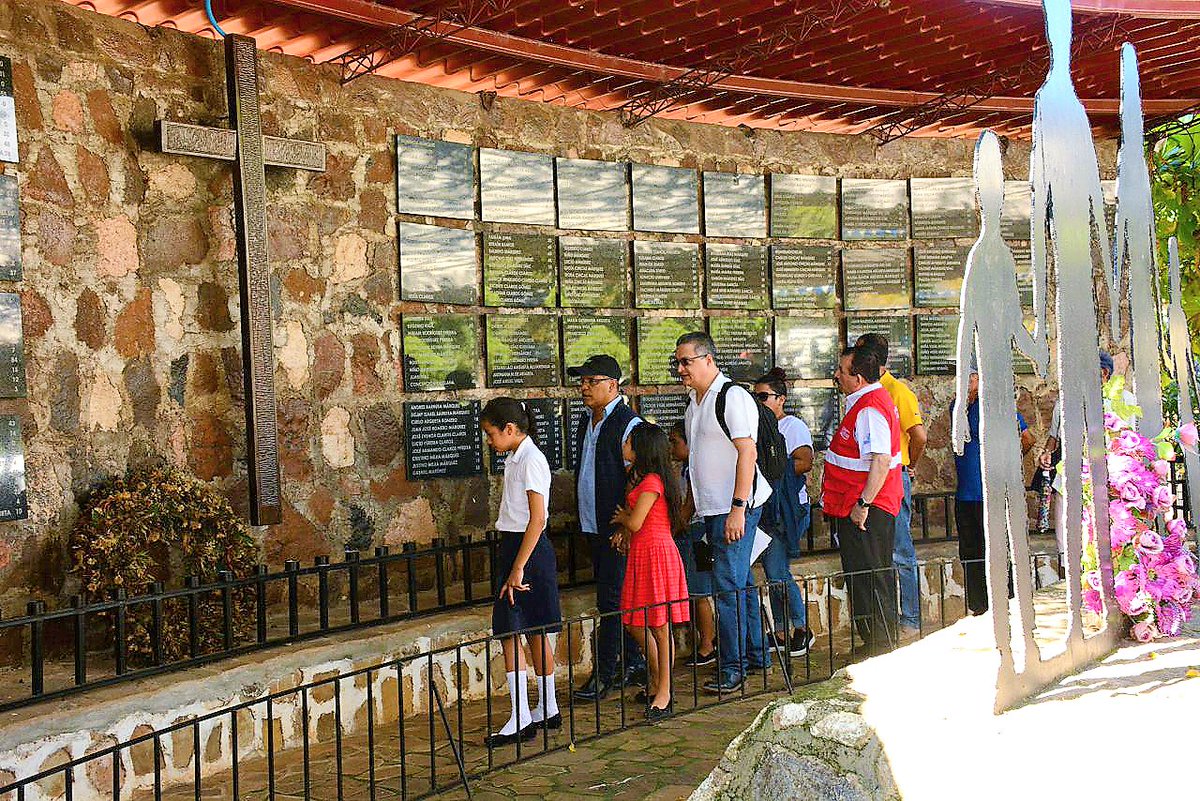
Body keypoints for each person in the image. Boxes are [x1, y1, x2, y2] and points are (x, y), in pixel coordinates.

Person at [674, 332, 773, 694]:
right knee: (739, 582)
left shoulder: (732, 397)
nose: (680, 369)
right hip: (713, 509)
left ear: (708, 360)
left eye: (686, 361)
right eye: (677, 362)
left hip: (736, 507)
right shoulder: (694, 403)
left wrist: (738, 508)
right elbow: (698, 462)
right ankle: (756, 654)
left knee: (727, 586)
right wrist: (690, 508)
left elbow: (748, 453)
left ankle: (733, 667)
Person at [480, 398, 561, 747]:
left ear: (510, 429)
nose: (489, 441)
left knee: (512, 630)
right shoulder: (517, 457)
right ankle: (546, 707)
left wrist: (518, 567)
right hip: (520, 547)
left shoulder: (530, 460)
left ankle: (522, 715)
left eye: (491, 434)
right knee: (530, 629)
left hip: (526, 550)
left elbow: (537, 518)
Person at [567, 355, 646, 702]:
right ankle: (634, 662)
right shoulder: (588, 420)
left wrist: (627, 526)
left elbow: (639, 477)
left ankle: (605, 673)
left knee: (611, 600)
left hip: (617, 528)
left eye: (591, 381)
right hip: (593, 524)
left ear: (612, 385)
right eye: (582, 382)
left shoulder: (628, 424)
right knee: (617, 596)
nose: (584, 387)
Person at [823, 346, 903, 649]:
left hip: (867, 509)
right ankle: (874, 641)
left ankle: (880, 644)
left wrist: (863, 504)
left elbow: (881, 460)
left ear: (857, 378)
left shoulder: (869, 409)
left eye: (841, 371)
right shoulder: (866, 402)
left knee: (870, 577)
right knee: (864, 576)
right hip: (859, 505)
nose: (837, 376)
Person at [610, 422, 690, 720]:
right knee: (634, 619)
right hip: (642, 553)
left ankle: (665, 690)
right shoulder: (641, 478)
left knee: (659, 625)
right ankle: (657, 677)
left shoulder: (653, 482)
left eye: (628, 441)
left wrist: (623, 518)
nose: (624, 446)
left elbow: (636, 521)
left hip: (656, 554)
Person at [855, 333, 927, 636]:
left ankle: (910, 617)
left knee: (900, 549)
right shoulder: (865, 391)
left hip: (893, 477)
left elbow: (919, 436)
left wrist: (909, 465)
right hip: (872, 479)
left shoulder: (897, 391)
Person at [953, 369, 1036, 614]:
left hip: (990, 492)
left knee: (997, 550)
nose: (966, 381)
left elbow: (1027, 438)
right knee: (971, 551)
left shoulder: (996, 407)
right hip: (966, 493)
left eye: (971, 377)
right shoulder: (958, 407)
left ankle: (1005, 604)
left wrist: (1008, 461)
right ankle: (978, 607)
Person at [752, 367, 816, 656]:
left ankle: (801, 627)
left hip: (786, 508)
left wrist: (773, 469)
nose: (759, 401)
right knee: (772, 570)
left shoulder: (793, 426)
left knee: (777, 570)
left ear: (781, 399)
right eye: (756, 396)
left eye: (764, 396)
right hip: (767, 507)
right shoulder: (757, 426)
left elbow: (804, 461)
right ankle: (780, 631)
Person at [1034, 351, 1116, 554]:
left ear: (1104, 374)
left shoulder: (1120, 403)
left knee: (1101, 545)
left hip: (1105, 484)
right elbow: (1054, 438)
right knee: (1067, 544)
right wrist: (1046, 454)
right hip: (1067, 481)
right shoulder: (1064, 404)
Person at [668, 421, 717, 666]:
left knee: (699, 592)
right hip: (691, 531)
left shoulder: (696, 467)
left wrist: (674, 527)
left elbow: (691, 503)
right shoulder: (688, 467)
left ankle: (708, 644)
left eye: (675, 442)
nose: (671, 447)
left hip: (696, 532)